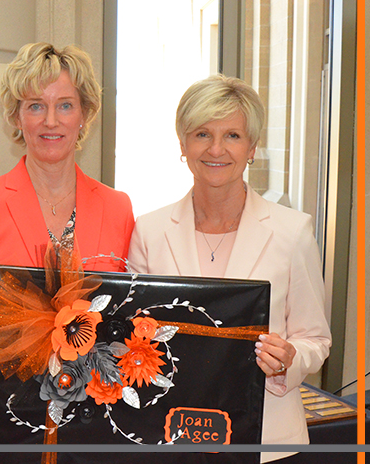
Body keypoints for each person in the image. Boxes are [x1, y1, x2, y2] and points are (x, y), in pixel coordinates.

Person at [0, 42, 135, 464]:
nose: (51, 121)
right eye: (35, 106)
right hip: (2, 417)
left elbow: (126, 318)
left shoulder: (118, 209)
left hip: (93, 422)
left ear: (85, 115)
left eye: (65, 105)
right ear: (16, 115)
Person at [128, 75, 331, 463]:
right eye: (202, 134)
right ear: (183, 144)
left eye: (233, 136)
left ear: (252, 147)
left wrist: (288, 358)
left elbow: (316, 339)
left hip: (267, 440)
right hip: (168, 436)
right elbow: (133, 335)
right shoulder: (149, 231)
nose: (216, 149)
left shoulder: (292, 232)